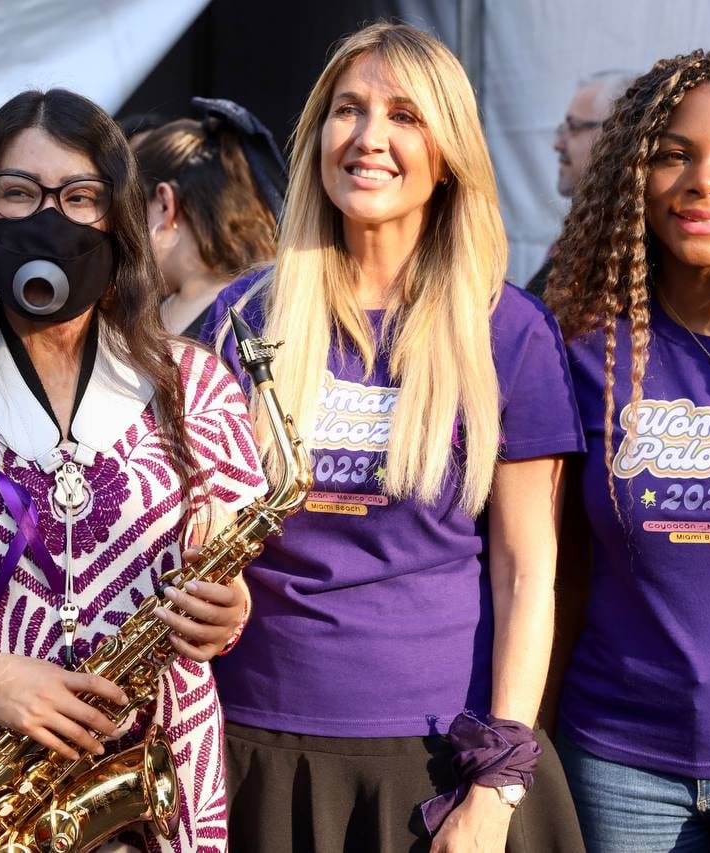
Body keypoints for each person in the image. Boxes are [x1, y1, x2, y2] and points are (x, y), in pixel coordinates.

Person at [0, 88, 266, 852]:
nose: (47, 218)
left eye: (79, 196)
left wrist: (229, 613)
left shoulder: (198, 386)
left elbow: (224, 582)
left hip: (157, 795)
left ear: (119, 216)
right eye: (19, 192)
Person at [201, 23, 586, 853]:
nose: (370, 138)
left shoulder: (509, 331)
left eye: (405, 115)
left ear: (447, 154)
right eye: (349, 109)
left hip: (436, 765)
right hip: (248, 751)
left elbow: (528, 574)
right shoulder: (239, 318)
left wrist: (501, 780)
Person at [546, 49, 710, 853]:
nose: (704, 180)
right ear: (631, 172)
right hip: (614, 762)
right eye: (672, 153)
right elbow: (554, 566)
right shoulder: (577, 344)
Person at [134, 97, 284, 338]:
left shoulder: (230, 319)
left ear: (164, 205)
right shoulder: (268, 307)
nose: (124, 232)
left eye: (131, 212)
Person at [526, 70, 636, 298]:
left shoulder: (620, 251)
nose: (558, 143)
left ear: (617, 133)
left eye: (574, 127)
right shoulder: (582, 238)